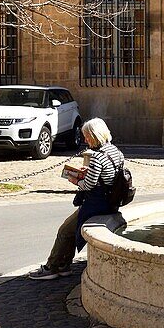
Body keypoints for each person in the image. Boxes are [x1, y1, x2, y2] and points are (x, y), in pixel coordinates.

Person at [29, 117, 125, 280]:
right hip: (110, 201)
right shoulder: (116, 152)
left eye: (87, 136)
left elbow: (89, 184)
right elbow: (107, 176)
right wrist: (87, 172)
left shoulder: (97, 156)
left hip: (96, 204)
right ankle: (63, 265)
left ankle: (52, 267)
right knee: (69, 230)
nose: (85, 140)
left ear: (95, 136)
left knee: (65, 230)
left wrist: (75, 180)